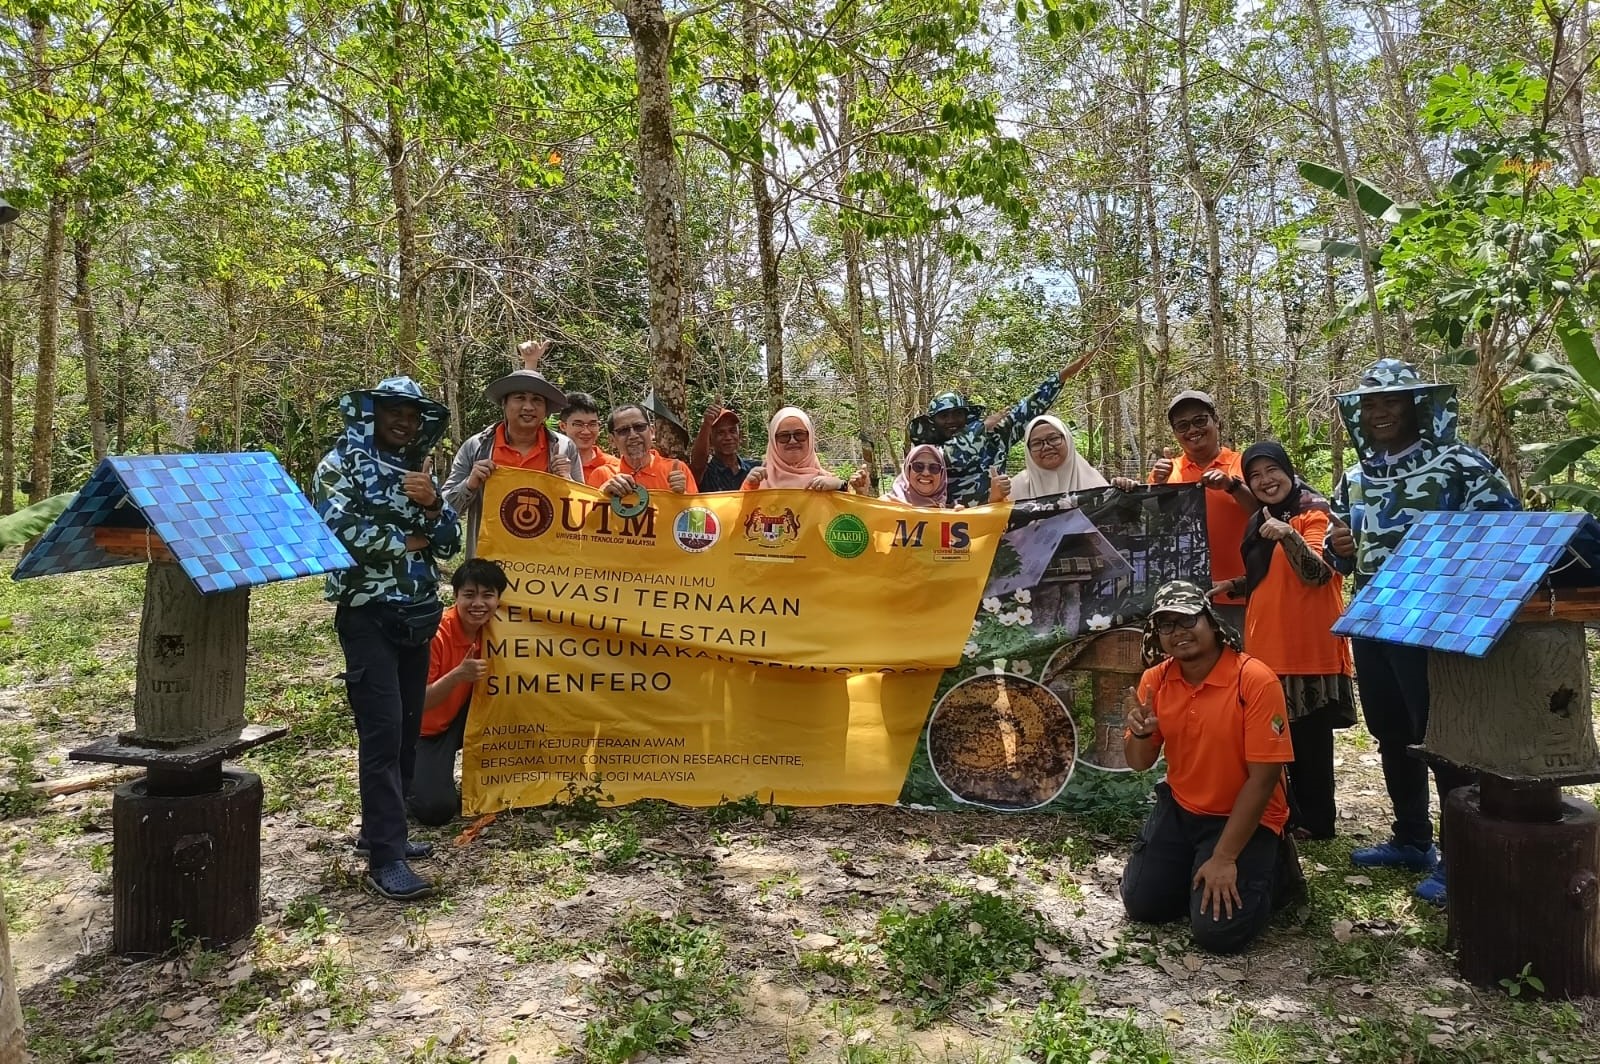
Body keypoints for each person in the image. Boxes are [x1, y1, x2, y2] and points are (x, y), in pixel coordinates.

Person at [1324, 359, 1518, 904]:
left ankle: (1464, 853)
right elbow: (1339, 552)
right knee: (1392, 733)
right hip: (1372, 619)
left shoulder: (1460, 465)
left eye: (1391, 401)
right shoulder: (1357, 477)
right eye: (1370, 404)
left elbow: (1506, 534)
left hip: (1437, 624)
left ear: (1416, 405)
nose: (1379, 412)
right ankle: (1412, 839)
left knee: (1444, 735)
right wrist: (1334, 549)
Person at [315, 375, 461, 902]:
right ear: (372, 413)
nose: (404, 422)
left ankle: (383, 829)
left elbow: (449, 544)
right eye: (393, 411)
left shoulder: (419, 472)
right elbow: (343, 535)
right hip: (368, 614)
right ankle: (386, 859)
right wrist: (411, 538)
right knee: (379, 733)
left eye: (413, 414)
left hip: (419, 614)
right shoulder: (339, 466)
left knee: (404, 726)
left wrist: (431, 507)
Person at [1119, 581, 1299, 954]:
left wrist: (1224, 857)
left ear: (1212, 621)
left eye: (1187, 620)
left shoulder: (1255, 679)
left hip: (1247, 813)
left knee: (1219, 933)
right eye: (1166, 625)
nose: (1178, 633)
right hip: (1183, 807)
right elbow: (1140, 764)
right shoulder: (1155, 680)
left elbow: (1264, 778)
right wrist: (1139, 734)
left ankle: (1276, 872)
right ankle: (1194, 865)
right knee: (1143, 905)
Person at [1219, 441, 1356, 840]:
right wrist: (1232, 584)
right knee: (1278, 738)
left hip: (1307, 648)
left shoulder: (1315, 512)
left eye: (1271, 471)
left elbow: (1317, 572)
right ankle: (1289, 815)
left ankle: (1317, 821)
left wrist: (1286, 535)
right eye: (1255, 475)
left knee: (1310, 741)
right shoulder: (1264, 517)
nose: (1264, 481)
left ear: (1288, 469)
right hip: (1267, 648)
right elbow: (1271, 577)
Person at [1113, 390, 1255, 634]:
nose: (1192, 430)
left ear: (1216, 421)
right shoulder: (1168, 471)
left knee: (1243, 666)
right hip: (1186, 598)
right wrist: (1152, 487)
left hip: (1241, 592)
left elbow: (1263, 513)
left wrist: (1232, 486)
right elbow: (1151, 527)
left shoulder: (1242, 464)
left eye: (1200, 420)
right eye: (1182, 426)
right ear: (1175, 433)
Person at [441, 338, 584, 557]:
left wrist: (567, 482)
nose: (528, 406)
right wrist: (470, 483)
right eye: (519, 398)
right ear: (504, 404)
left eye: (537, 400)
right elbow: (446, 510)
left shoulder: (563, 449)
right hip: (488, 566)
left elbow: (581, 517)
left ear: (546, 410)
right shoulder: (477, 447)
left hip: (545, 568)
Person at [906, 350, 1096, 507]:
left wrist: (1061, 378)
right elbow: (950, 456)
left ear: (967, 416)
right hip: (949, 530)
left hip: (994, 525)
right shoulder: (927, 451)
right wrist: (980, 428)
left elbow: (1027, 409)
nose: (951, 420)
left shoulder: (994, 437)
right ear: (932, 422)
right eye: (944, 416)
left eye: (958, 414)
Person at [408, 558, 506, 827]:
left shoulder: (498, 629)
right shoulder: (437, 633)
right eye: (469, 595)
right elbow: (419, 702)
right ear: (455, 596)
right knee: (435, 809)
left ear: (499, 600)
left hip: (462, 719)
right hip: (422, 732)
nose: (478, 604)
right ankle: (404, 774)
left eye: (488, 596)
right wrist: (458, 675)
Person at [595, 403, 699, 495]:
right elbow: (586, 516)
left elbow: (697, 514)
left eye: (639, 427)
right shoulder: (602, 475)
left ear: (652, 432)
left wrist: (683, 496)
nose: (633, 435)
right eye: (623, 430)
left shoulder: (677, 470)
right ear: (612, 440)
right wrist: (602, 495)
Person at [743, 407, 853, 491]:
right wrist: (749, 487)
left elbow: (852, 517)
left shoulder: (828, 481)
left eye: (799, 434)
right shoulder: (759, 481)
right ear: (773, 441)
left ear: (810, 437)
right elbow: (738, 517)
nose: (792, 441)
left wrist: (841, 486)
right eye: (784, 436)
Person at [1010, 414, 1108, 501]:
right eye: (1036, 443)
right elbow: (999, 519)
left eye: (1053, 438)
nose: (1046, 447)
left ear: (1067, 440)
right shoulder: (1015, 488)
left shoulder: (1094, 482)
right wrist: (996, 498)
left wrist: (1122, 489)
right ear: (1028, 450)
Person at [879, 444, 1008, 507]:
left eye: (934, 468)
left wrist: (995, 500)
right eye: (918, 466)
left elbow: (990, 536)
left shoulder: (950, 514)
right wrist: (860, 497)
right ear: (908, 470)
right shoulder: (885, 506)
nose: (925, 473)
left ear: (942, 475)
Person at [690, 404, 758, 491]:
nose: (728, 437)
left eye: (732, 431)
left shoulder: (754, 468)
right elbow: (697, 465)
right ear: (710, 441)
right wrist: (706, 424)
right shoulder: (707, 474)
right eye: (720, 433)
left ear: (739, 436)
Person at [560, 391, 619, 485]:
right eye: (578, 424)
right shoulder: (553, 464)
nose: (586, 431)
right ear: (563, 426)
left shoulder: (614, 465)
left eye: (592, 424)